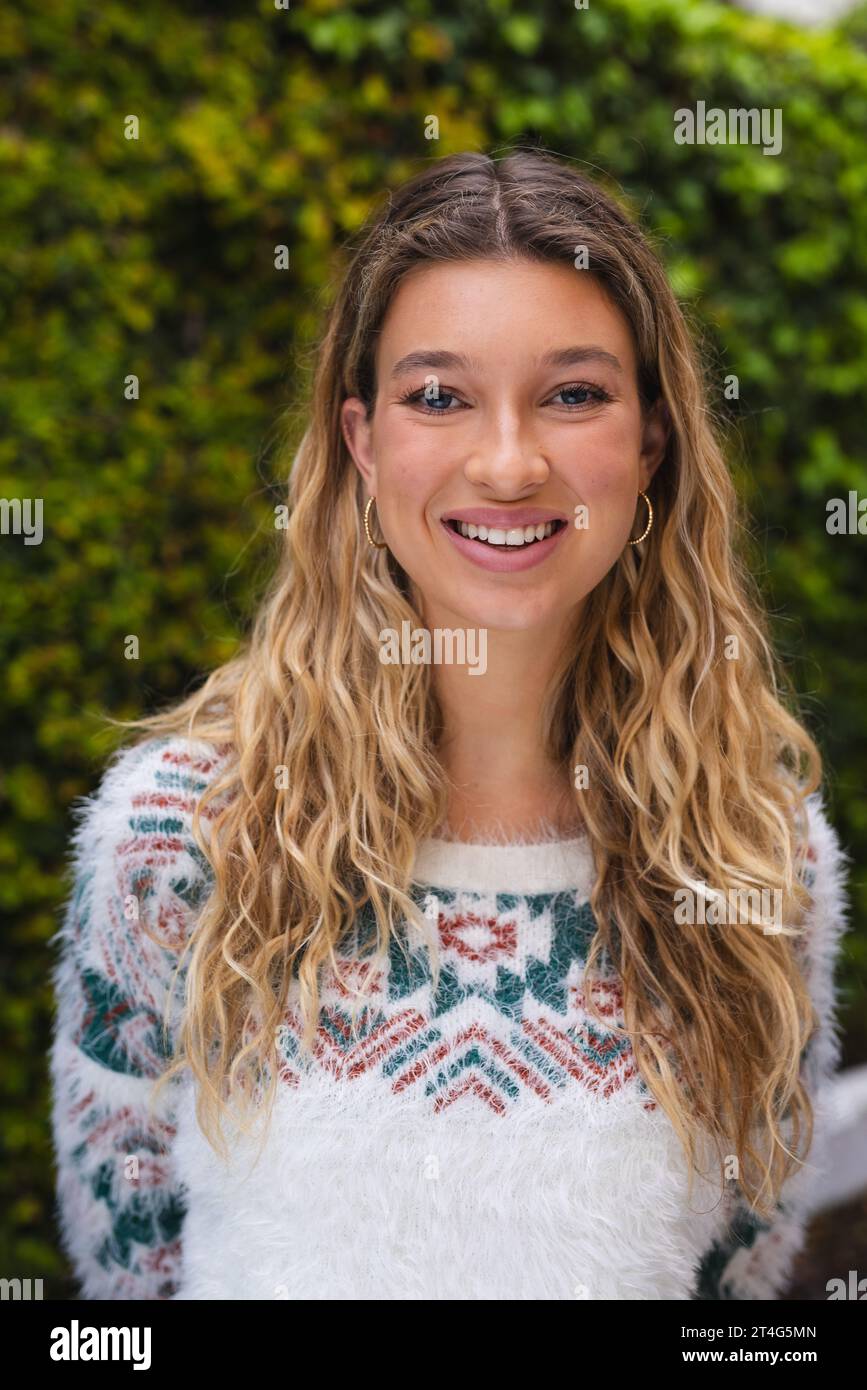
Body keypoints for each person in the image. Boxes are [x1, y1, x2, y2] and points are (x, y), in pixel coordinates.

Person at [49, 148, 850, 1300]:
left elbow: (734, 1278)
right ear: (364, 442)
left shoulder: (760, 863)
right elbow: (130, 1273)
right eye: (439, 396)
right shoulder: (182, 840)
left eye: (574, 393)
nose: (510, 461)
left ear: (652, 441)